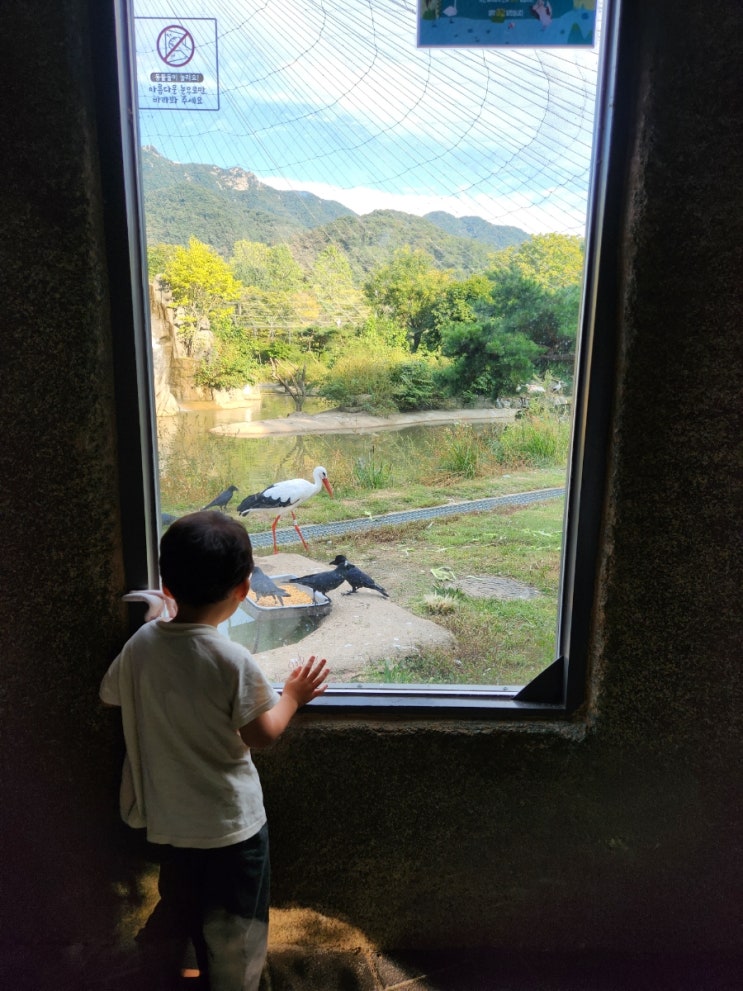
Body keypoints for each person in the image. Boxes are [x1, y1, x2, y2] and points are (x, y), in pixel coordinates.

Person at [100, 511, 329, 991]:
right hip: (231, 830)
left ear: (167, 586)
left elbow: (111, 693)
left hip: (169, 823)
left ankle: (156, 963)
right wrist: (292, 696)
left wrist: (155, 627)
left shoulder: (142, 644)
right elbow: (261, 734)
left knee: (181, 902)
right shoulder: (232, 659)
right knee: (235, 929)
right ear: (244, 589)